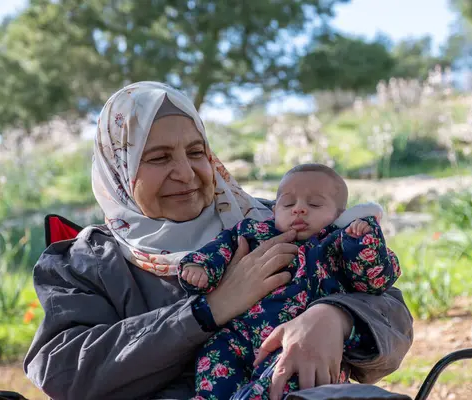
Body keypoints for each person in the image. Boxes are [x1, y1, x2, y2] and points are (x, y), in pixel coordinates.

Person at [23, 81, 414, 400]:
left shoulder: (271, 222)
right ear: (119, 170)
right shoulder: (84, 262)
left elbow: (391, 310)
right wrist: (208, 311)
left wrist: (333, 316)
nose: (186, 173)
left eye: (196, 152)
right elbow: (62, 370)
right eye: (158, 158)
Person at [179, 163, 402, 399]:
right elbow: (222, 247)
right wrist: (200, 266)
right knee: (215, 355)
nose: (299, 210)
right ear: (274, 211)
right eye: (288, 204)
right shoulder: (253, 232)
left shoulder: (337, 244)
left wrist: (362, 242)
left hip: (299, 343)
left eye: (314, 204)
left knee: (287, 378)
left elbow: (374, 281)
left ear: (339, 215)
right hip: (239, 334)